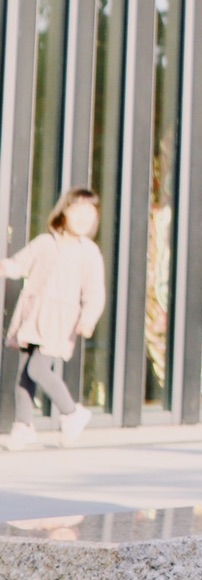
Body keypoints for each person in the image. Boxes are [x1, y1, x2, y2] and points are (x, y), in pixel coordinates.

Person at [3, 188, 106, 450]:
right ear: (63, 212)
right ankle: (23, 426)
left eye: (90, 214)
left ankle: (72, 413)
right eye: (77, 211)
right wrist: (5, 266)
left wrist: (88, 319)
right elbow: (19, 264)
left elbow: (95, 292)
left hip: (61, 320)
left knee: (37, 368)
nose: (83, 218)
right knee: (24, 373)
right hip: (33, 314)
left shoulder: (89, 252)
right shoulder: (45, 242)